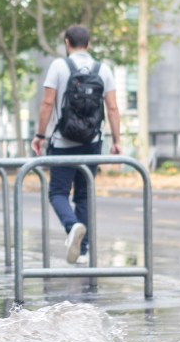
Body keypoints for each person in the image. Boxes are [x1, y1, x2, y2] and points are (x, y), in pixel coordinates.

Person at [31, 24, 120, 265]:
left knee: (58, 192)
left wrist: (40, 135)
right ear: (88, 44)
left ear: (67, 43)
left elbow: (47, 104)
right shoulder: (104, 70)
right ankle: (83, 251)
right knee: (84, 194)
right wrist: (117, 141)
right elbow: (112, 107)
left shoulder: (59, 66)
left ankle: (72, 226)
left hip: (63, 141)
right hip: (92, 142)